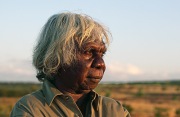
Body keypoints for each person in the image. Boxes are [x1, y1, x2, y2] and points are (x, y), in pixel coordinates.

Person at [11, 12, 131, 117]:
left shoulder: (114, 110)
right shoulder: (30, 109)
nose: (100, 64)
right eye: (89, 52)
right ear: (56, 56)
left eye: (102, 54)